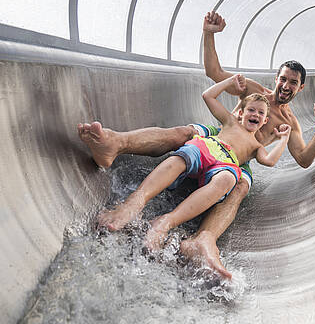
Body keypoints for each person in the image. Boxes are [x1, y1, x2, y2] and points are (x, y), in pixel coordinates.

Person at [78, 11, 315, 278]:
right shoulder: (253, 91)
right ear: (276, 78)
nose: (285, 85)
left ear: (301, 88)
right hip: (219, 134)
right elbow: (213, 73)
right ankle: (115, 143)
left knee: (239, 187)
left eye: (292, 83)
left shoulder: (290, 122)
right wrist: (209, 33)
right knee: (184, 133)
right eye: (283, 79)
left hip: (241, 158)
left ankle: (204, 240)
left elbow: (304, 159)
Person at [97, 73, 291, 253]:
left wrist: (283, 139)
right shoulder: (230, 122)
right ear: (241, 113)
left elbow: (270, 160)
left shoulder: (256, 145)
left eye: (260, 113)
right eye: (251, 110)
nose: (255, 115)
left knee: (227, 181)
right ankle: (135, 202)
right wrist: (228, 82)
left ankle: (166, 222)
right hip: (208, 146)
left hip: (226, 164)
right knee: (185, 155)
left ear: (265, 121)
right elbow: (208, 96)